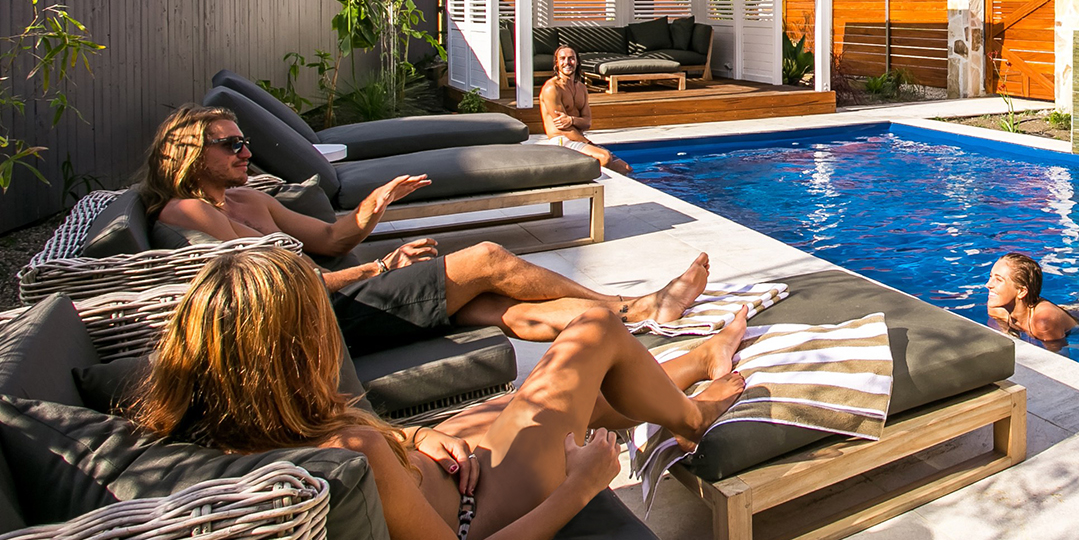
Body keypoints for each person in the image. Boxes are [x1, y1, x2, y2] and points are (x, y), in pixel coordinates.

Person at [130, 246, 749, 540]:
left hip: (448, 474)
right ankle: (694, 415)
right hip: (482, 507)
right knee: (595, 329)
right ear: (292, 352)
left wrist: (418, 436)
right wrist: (580, 486)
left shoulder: (234, 421)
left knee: (563, 395)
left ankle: (696, 362)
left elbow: (369, 448)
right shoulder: (355, 449)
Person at [144, 104, 707, 355]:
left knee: (496, 307)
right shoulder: (187, 213)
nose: (246, 151)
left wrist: (375, 206)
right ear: (191, 153)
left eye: (245, 141)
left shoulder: (248, 199)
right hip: (315, 315)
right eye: (231, 145)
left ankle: (634, 316)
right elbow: (276, 286)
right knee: (487, 258)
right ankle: (630, 304)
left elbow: (332, 240)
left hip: (336, 294)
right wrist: (379, 267)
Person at [537, 44, 631, 175]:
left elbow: (587, 122)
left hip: (579, 138)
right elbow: (563, 128)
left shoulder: (581, 88)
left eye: (571, 58)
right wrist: (589, 143)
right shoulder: (552, 88)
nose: (567, 62)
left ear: (577, 62)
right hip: (561, 140)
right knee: (604, 157)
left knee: (625, 168)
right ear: (556, 63)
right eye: (562, 59)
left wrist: (571, 120)